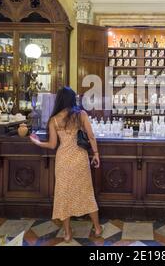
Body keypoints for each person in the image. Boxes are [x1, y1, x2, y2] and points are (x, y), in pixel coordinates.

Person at [29, 87, 102, 242]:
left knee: (63, 195)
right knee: (86, 193)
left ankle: (68, 233)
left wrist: (37, 142)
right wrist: (96, 154)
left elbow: (52, 144)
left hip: (63, 159)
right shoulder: (80, 115)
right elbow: (91, 136)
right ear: (72, 99)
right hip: (79, 158)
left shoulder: (54, 119)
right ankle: (97, 228)